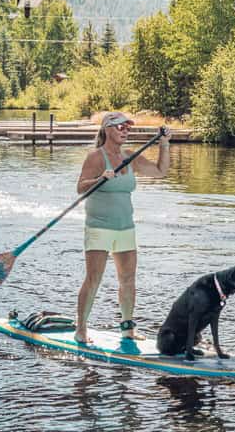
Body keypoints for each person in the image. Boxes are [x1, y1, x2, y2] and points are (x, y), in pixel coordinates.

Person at [74, 112, 170, 346]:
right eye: (120, 127)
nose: (125, 131)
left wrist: (164, 144)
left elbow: (160, 171)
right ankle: (81, 329)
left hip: (125, 228)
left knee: (128, 279)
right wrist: (100, 179)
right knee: (94, 279)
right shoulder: (96, 157)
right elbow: (80, 188)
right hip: (99, 227)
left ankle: (127, 328)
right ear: (107, 129)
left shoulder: (130, 157)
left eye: (127, 128)